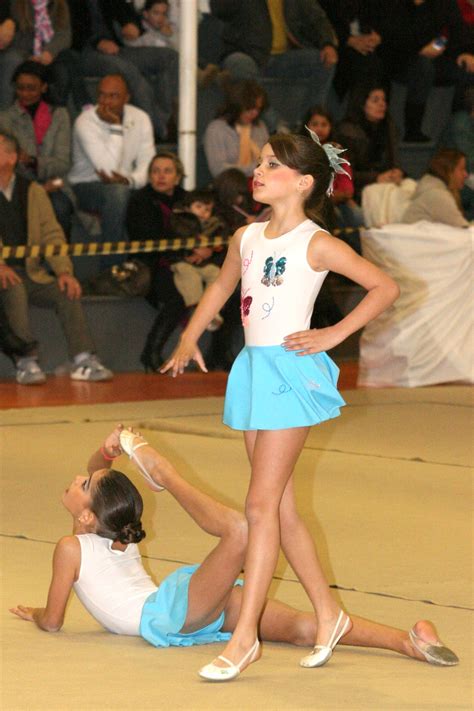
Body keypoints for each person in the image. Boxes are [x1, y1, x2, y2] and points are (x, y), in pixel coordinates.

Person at [161, 130, 401, 680]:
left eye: (272, 164)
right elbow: (221, 289)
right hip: (255, 370)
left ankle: (244, 638)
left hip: (290, 375)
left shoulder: (317, 243)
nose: (259, 170)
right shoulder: (246, 237)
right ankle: (330, 614)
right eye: (262, 162)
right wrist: (189, 336)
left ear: (303, 182)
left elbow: (383, 287)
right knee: (280, 506)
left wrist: (332, 333)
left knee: (260, 506)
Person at [9, 423, 460, 674]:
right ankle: (405, 642)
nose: (77, 476)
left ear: (88, 516)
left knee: (247, 536)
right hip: (186, 605)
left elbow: (53, 622)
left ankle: (162, 473)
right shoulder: (113, 530)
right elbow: (99, 479)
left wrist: (35, 614)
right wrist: (110, 452)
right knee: (303, 625)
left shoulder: (73, 544)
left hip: (172, 610)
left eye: (82, 483)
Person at [0, 131, 113, 384]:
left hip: (32, 272)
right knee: (13, 288)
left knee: (66, 291)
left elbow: (52, 234)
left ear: (11, 157)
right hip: (4, 274)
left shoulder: (33, 192)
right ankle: (25, 361)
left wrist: (64, 271)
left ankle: (84, 359)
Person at [68, 73, 155, 253]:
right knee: (118, 193)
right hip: (86, 186)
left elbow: (148, 161)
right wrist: (115, 127)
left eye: (113, 96)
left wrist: (130, 180)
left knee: (149, 196)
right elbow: (108, 171)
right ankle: (110, 267)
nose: (106, 101)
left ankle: (143, 265)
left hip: (127, 182)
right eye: (102, 95)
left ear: (126, 98)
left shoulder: (140, 118)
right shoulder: (85, 122)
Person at [210, 0, 338, 110]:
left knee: (323, 60)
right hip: (247, 55)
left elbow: (317, 17)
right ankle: (274, 126)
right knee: (239, 63)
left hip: (284, 57)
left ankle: (309, 122)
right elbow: (219, 9)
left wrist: (327, 44)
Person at [0, 60, 74, 239]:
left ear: (44, 87)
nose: (25, 93)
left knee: (60, 207)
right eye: (20, 88)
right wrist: (37, 188)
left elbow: (63, 163)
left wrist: (33, 162)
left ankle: (58, 262)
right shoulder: (5, 119)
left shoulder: (60, 115)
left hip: (56, 184)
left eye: (31, 88)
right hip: (18, 185)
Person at [170, 189, 226, 332]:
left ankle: (211, 310)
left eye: (207, 209)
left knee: (216, 273)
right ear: (188, 207)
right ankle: (195, 309)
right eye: (198, 207)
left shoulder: (214, 225)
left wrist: (208, 252)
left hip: (203, 263)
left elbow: (220, 244)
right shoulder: (180, 220)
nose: (203, 212)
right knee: (188, 275)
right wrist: (193, 249)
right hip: (181, 260)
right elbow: (178, 236)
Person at [336, 83, 403, 201]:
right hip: (358, 187)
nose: (382, 104)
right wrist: (376, 177)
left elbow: (394, 161)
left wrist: (397, 171)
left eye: (384, 100)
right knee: (384, 196)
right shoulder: (348, 132)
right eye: (375, 100)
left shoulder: (388, 126)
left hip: (385, 181)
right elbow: (346, 173)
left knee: (410, 187)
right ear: (362, 104)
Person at [203, 80, 270, 178]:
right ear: (236, 106)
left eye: (258, 109)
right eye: (249, 108)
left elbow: (270, 158)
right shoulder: (216, 129)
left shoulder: (260, 127)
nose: (254, 113)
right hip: (231, 188)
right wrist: (258, 168)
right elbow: (218, 169)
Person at [402, 148, 470, 226]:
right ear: (449, 171)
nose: (466, 174)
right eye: (461, 169)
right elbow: (465, 230)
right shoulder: (437, 195)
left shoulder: (433, 190)